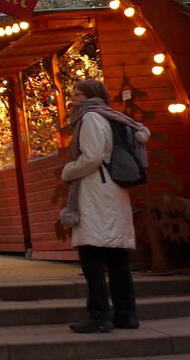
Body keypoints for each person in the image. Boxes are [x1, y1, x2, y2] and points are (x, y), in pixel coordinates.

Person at [61, 79, 149, 333]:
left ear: (89, 96)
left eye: (77, 94)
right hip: (115, 190)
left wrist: (69, 171)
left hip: (95, 191)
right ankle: (126, 314)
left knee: (92, 255)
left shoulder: (89, 118)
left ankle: (99, 315)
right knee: (118, 257)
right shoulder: (112, 116)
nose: (73, 99)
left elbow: (92, 156)